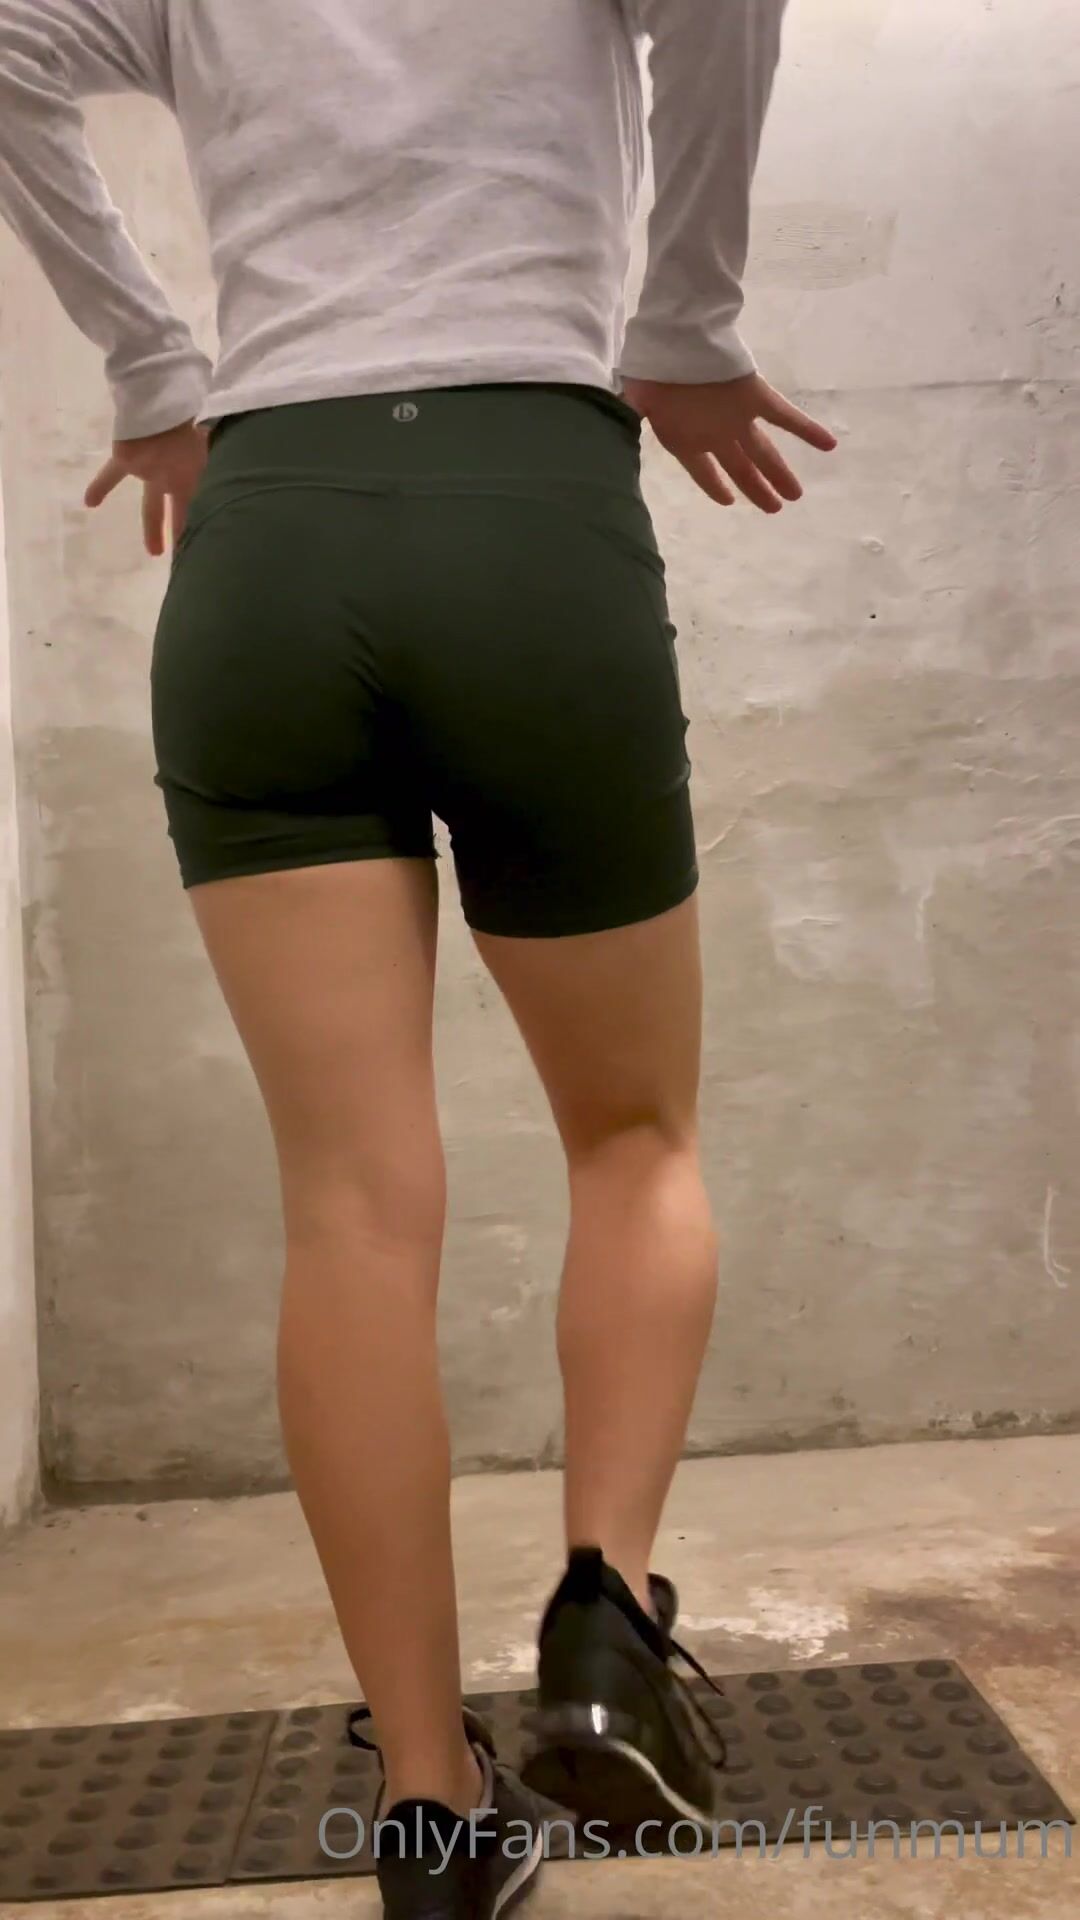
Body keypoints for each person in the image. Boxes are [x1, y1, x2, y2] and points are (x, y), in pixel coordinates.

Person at [0, 1, 835, 1912]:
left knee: (353, 1207)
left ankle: (431, 1816)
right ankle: (607, 1628)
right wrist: (685, 321)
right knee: (635, 1137)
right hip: (527, 508)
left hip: (266, 542)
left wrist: (152, 367)